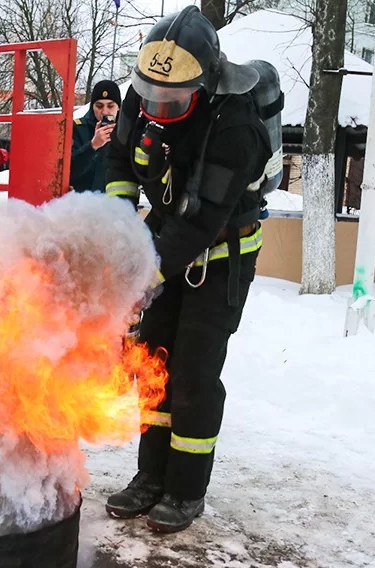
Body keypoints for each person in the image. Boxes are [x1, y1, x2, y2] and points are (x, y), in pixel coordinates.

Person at [103, 6, 274, 533]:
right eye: (150, 95)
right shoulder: (147, 87)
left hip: (220, 257)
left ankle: (185, 489)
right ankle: (150, 478)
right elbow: (118, 161)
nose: (157, 105)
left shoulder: (236, 124)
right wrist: (117, 222)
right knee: (153, 362)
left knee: (193, 377)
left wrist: (140, 277)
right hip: (165, 243)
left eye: (171, 100)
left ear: (201, 84)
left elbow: (199, 223)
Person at [70, 80, 120, 193]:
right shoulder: (78, 128)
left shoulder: (126, 131)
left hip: (116, 205)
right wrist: (92, 146)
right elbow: (69, 170)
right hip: (83, 201)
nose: (105, 111)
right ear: (92, 107)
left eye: (110, 106)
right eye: (99, 106)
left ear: (119, 107)